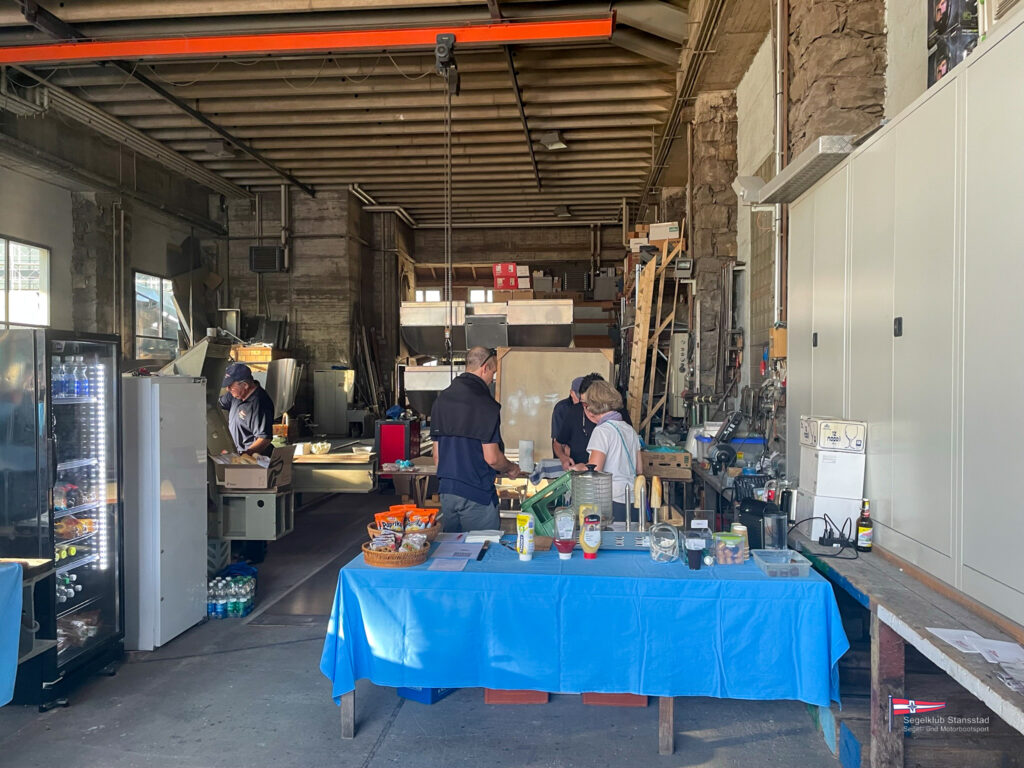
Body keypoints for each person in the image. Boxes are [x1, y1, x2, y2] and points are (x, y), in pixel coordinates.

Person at [431, 346, 521, 532]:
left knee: (452, 548)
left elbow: (437, 456)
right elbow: (492, 458)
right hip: (477, 495)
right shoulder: (486, 405)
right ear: (484, 368)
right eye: (493, 373)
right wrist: (511, 468)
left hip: (447, 493)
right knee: (483, 547)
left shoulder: (441, 400)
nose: (492, 380)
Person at [572, 380, 641, 523]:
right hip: (634, 499)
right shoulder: (629, 429)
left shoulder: (602, 431)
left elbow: (594, 469)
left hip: (613, 501)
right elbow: (640, 469)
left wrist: (578, 468)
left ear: (593, 405)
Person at [553, 372, 632, 468]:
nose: (589, 409)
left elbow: (595, 470)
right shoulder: (574, 412)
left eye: (591, 403)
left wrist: (582, 468)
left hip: (595, 476)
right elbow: (558, 444)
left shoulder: (605, 428)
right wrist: (563, 457)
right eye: (584, 403)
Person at [218, 362, 275, 456]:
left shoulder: (260, 404)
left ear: (245, 385)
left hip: (256, 457)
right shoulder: (235, 395)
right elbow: (217, 404)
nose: (228, 389)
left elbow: (264, 439)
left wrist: (245, 456)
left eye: (230, 385)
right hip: (238, 452)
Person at [551, 376, 584, 470]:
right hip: (567, 462)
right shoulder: (562, 408)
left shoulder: (589, 407)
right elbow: (557, 441)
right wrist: (564, 457)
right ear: (572, 393)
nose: (581, 400)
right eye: (579, 396)